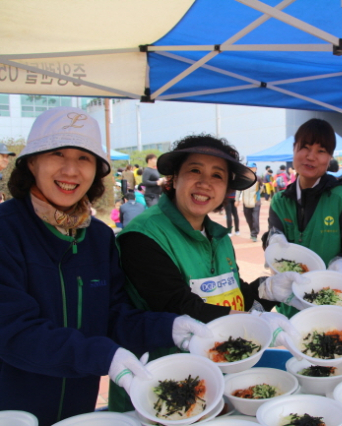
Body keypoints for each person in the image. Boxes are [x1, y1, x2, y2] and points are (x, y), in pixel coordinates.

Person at [0, 107, 209, 426]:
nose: (71, 170)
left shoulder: (97, 236)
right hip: (14, 411)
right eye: (58, 153)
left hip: (78, 413)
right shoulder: (7, 229)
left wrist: (169, 326)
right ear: (32, 162)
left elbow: (112, 315)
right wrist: (102, 356)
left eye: (84, 158)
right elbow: (13, 330)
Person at [111, 134, 302, 412]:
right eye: (194, 170)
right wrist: (256, 324)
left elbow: (230, 300)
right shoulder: (143, 236)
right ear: (174, 178)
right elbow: (181, 307)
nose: (204, 183)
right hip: (161, 395)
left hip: (217, 384)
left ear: (226, 188)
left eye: (217, 175)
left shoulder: (219, 237)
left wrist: (266, 291)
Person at [264, 118, 342, 319]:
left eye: (321, 151)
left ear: (329, 158)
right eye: (305, 148)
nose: (311, 157)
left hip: (335, 302)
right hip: (293, 303)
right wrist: (272, 238)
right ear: (294, 149)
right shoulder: (280, 200)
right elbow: (273, 237)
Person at [237, 162, 262, 242]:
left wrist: (257, 195)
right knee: (248, 219)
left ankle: (254, 234)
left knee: (255, 218)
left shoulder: (258, 178)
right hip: (246, 202)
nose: (250, 169)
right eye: (248, 168)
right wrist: (237, 200)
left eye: (251, 168)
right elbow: (239, 189)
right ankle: (252, 231)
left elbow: (262, 188)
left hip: (256, 202)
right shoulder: (243, 178)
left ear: (255, 169)